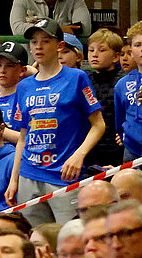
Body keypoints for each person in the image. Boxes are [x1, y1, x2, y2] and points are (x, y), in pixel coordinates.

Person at [7, 18, 108, 224]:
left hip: (64, 174)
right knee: (37, 241)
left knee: (69, 239)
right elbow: (22, 138)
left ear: (59, 46)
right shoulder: (24, 86)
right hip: (29, 173)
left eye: (45, 41)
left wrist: (79, 154)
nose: (38, 46)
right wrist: (14, 179)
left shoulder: (76, 77)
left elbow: (99, 125)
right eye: (34, 42)